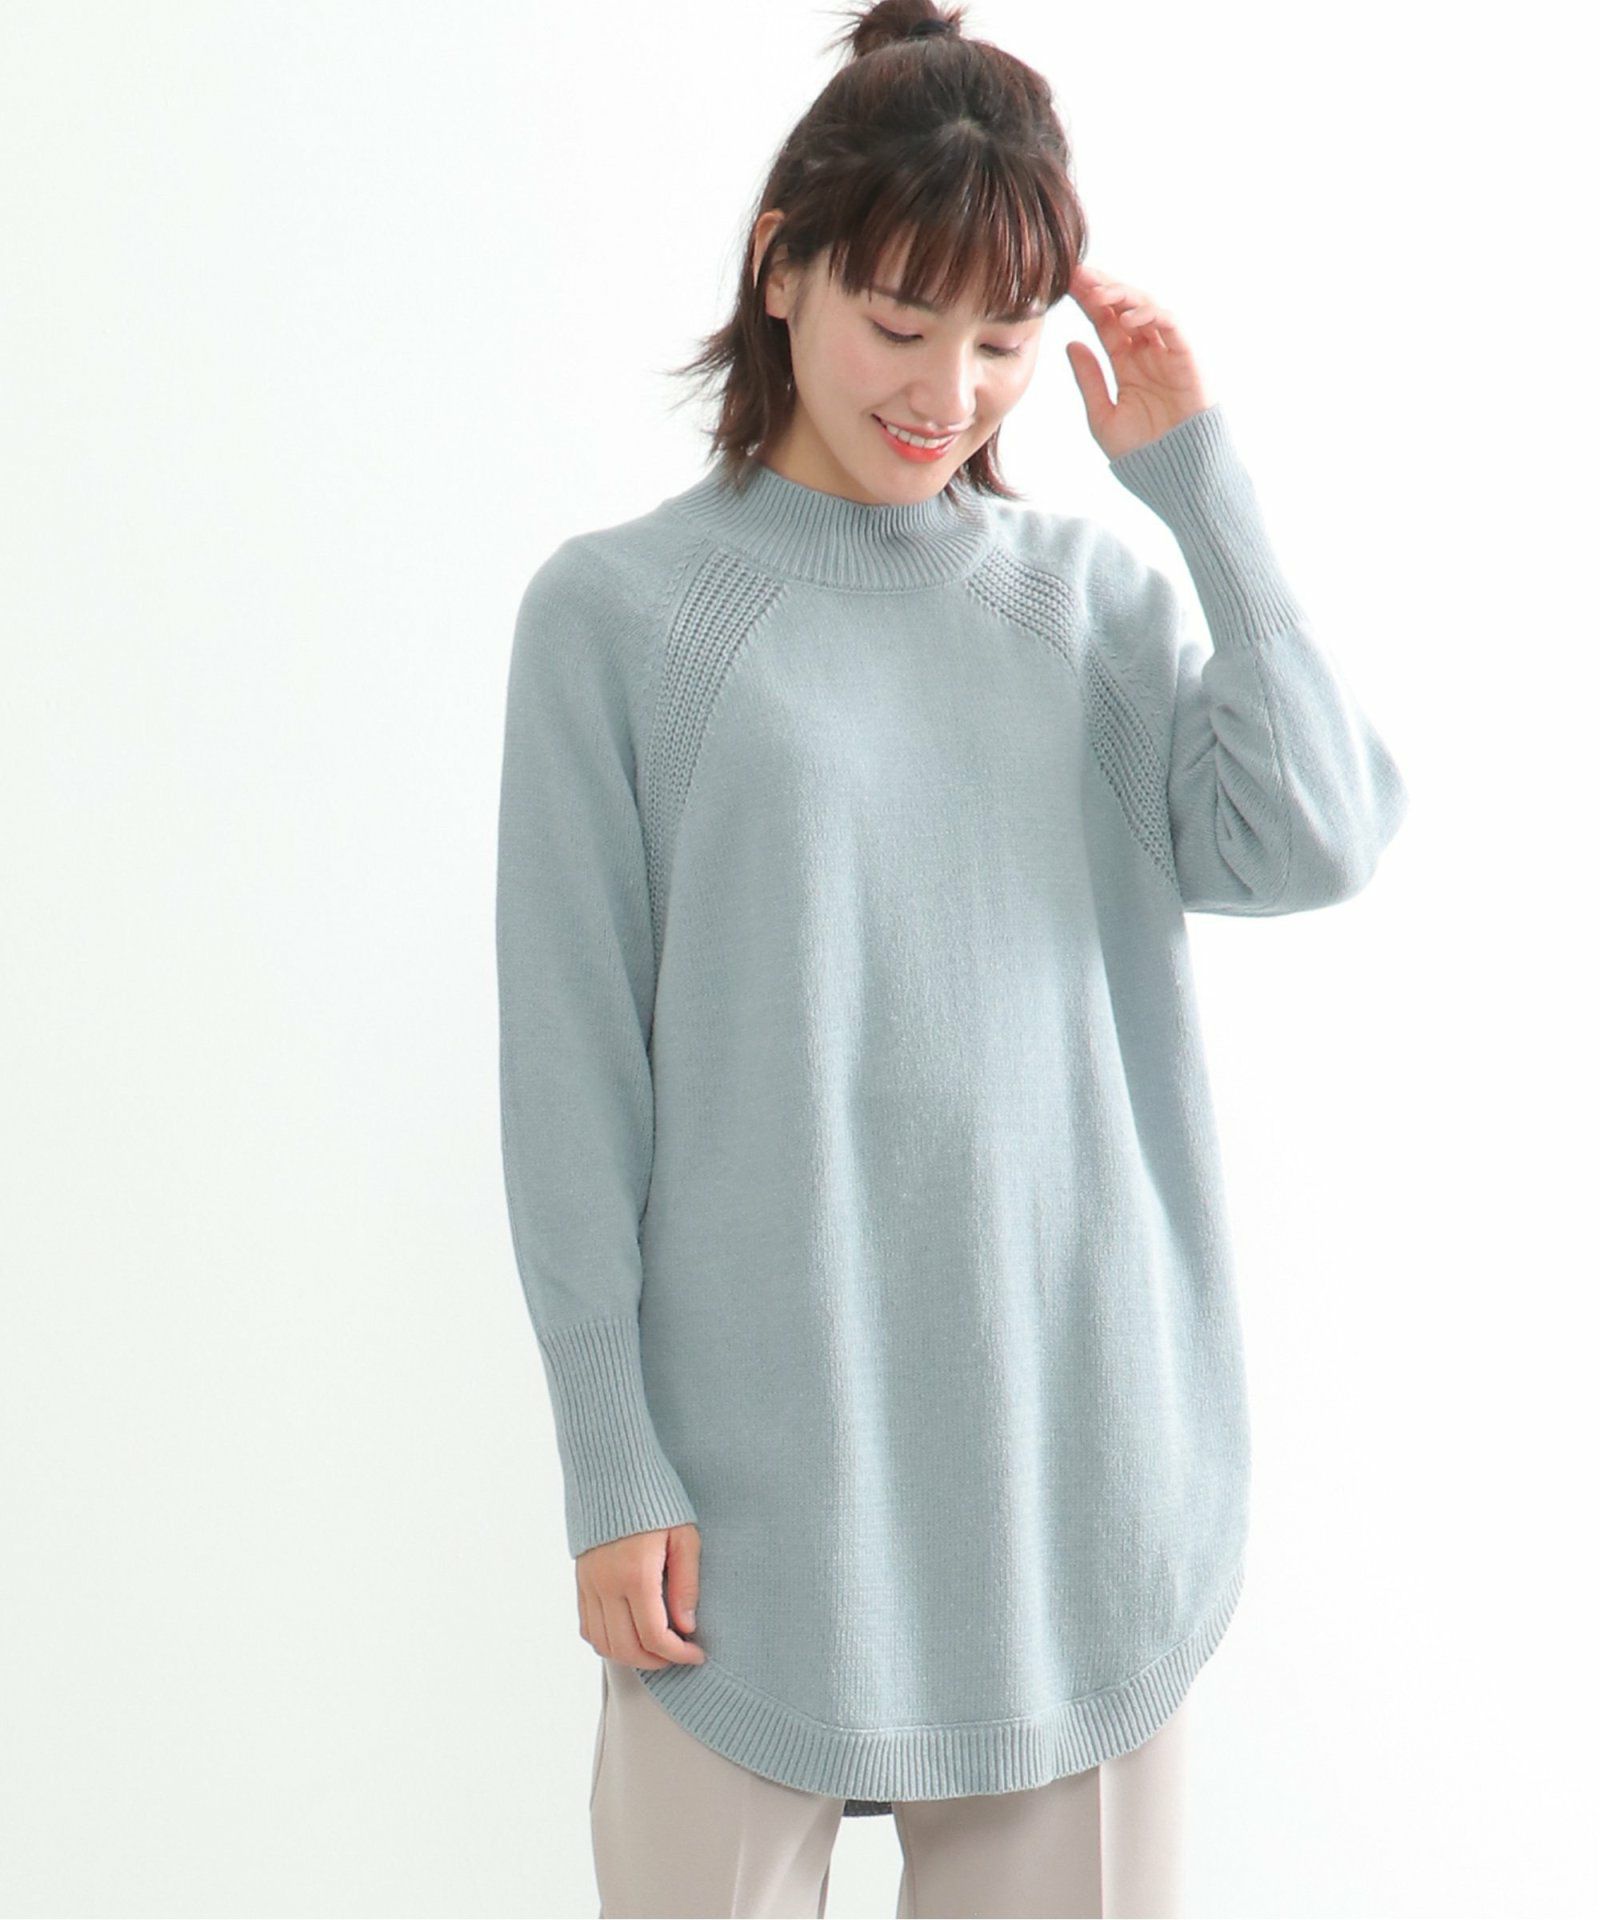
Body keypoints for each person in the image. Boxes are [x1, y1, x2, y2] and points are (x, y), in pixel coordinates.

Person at [494, 0, 1410, 1912]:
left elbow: (1318, 834)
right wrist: (609, 1455)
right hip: (743, 1492)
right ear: (781, 269)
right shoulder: (620, 619)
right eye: (902, 325)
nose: (949, 391)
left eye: (1001, 341)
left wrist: (1199, 485)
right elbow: (571, 1074)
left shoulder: (1093, 606)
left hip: (1073, 1473)